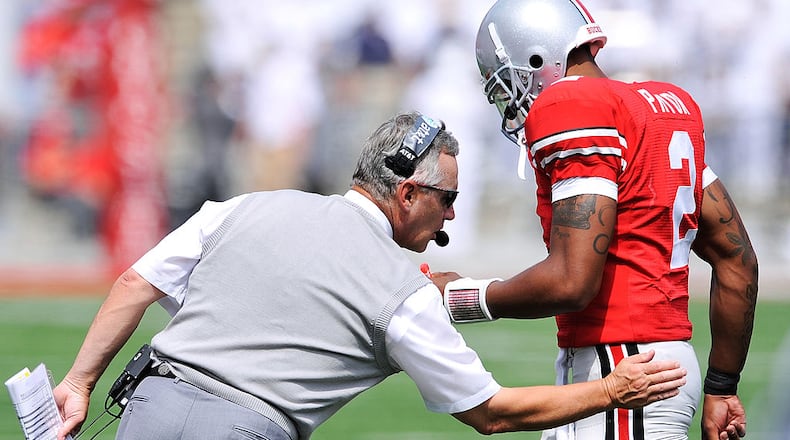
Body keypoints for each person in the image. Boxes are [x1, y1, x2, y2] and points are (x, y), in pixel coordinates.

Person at [52, 111, 687, 440]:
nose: (450, 217)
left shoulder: (246, 205)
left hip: (148, 407)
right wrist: (611, 392)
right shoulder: (400, 289)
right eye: (446, 201)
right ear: (408, 194)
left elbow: (136, 284)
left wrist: (80, 383)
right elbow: (493, 413)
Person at [429, 1, 759, 440]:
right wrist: (721, 387)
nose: (512, 100)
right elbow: (738, 262)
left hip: (624, 369)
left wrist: (460, 297)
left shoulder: (573, 103)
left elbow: (572, 280)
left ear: (535, 56)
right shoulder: (663, 106)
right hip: (653, 366)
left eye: (509, 81)